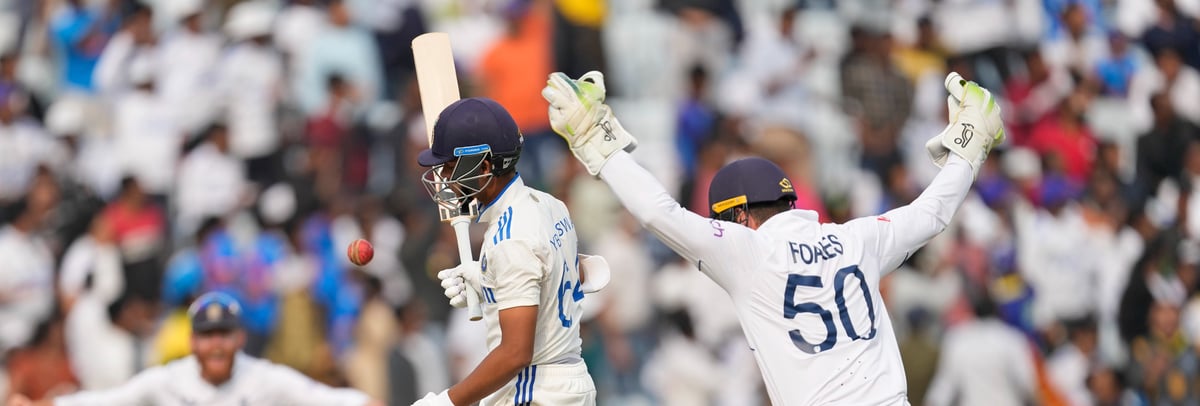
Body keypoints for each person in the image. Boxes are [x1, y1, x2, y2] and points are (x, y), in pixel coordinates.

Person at [540, 70, 1005, 405]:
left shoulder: (748, 251)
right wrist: (969, 147)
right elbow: (932, 212)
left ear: (739, 215)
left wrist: (594, 140)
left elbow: (657, 212)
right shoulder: (858, 239)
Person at [412, 97, 596, 405]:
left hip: (534, 390)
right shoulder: (550, 205)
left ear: (484, 166)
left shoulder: (511, 238)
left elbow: (515, 354)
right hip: (568, 381)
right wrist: (488, 284)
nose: (444, 179)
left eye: (450, 168)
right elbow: (556, 277)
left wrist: (446, 401)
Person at [6, 292, 383, 406]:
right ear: (192, 342)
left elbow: (332, 401)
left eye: (224, 334)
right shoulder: (166, 382)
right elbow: (104, 403)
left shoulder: (264, 379)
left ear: (238, 338)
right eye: (207, 335)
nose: (216, 344)